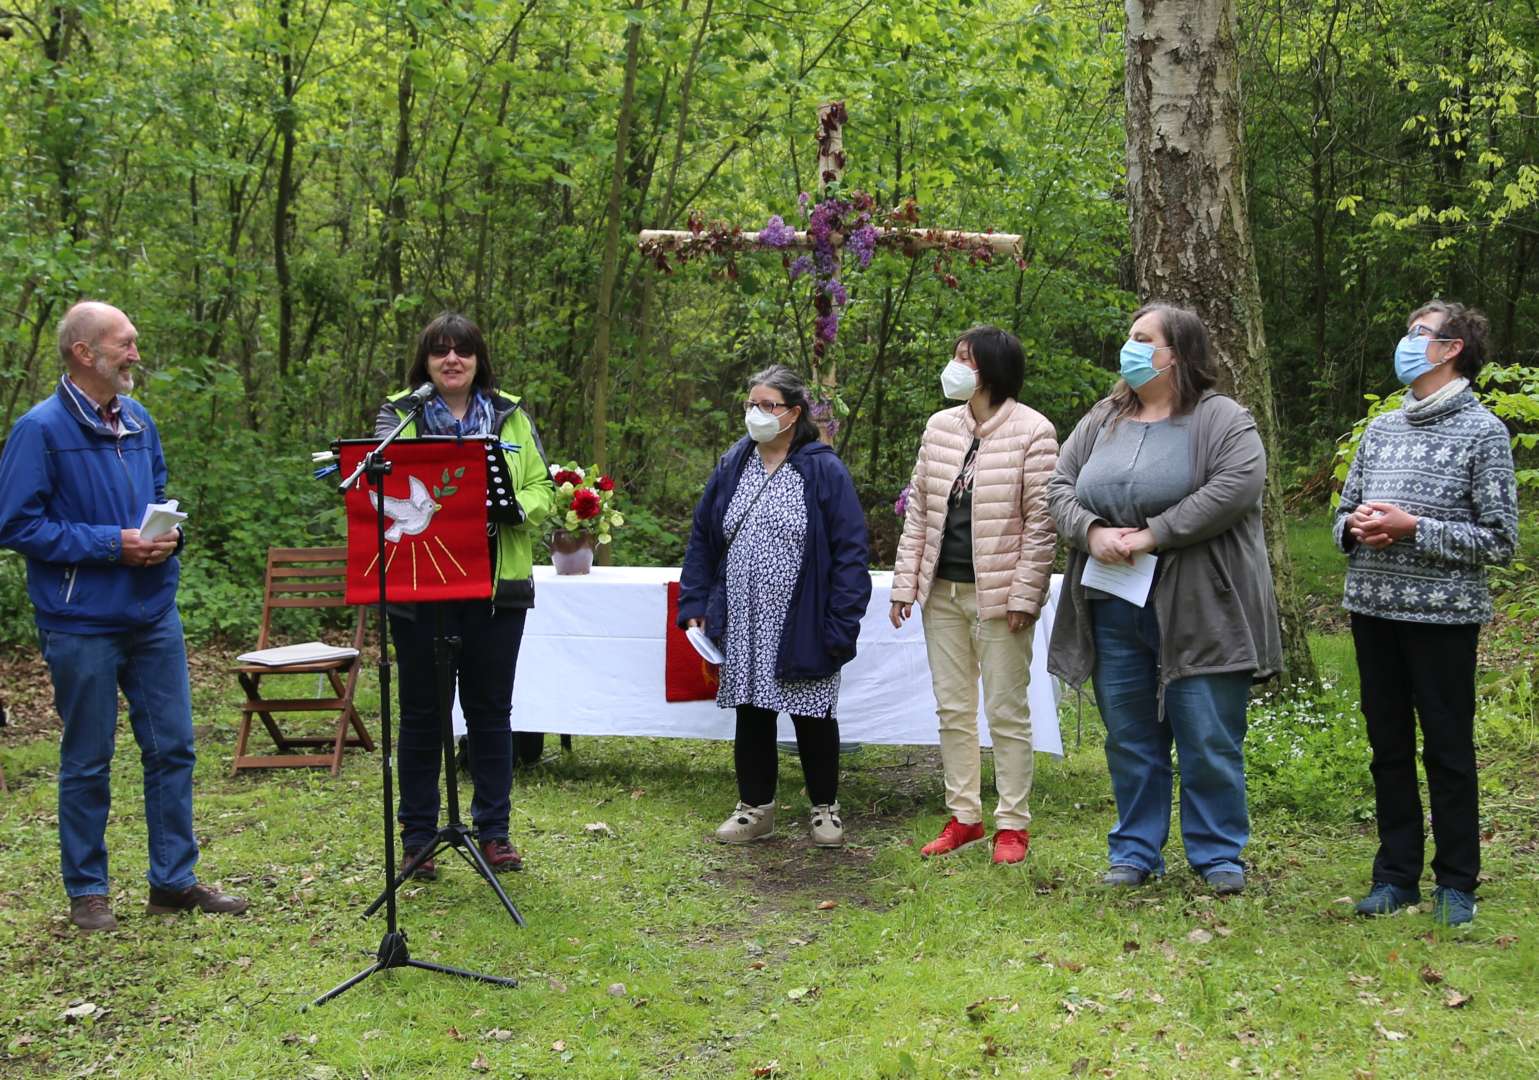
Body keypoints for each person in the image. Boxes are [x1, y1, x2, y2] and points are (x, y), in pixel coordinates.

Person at [0, 301, 248, 932]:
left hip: (153, 614)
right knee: (88, 757)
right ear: (86, 353)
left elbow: (162, 496)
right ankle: (88, 892)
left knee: (175, 747)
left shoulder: (138, 421)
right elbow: (18, 525)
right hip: (80, 619)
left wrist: (169, 539)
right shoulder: (40, 430)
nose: (136, 353)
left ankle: (173, 882)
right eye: (126, 343)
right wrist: (115, 543)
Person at [1047, 303, 1281, 896]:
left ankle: (1218, 855)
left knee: (1206, 733)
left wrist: (1155, 533)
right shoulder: (1104, 417)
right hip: (1112, 603)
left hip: (1204, 604)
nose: (1127, 347)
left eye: (1140, 338)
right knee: (1129, 735)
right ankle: (1134, 852)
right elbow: (1057, 486)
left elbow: (1236, 486)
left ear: (1175, 352)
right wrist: (1092, 532)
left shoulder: (1222, 418)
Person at [1336, 301, 1517, 928]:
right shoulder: (1381, 429)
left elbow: (1499, 539)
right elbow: (1343, 512)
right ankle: (1395, 877)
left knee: (1446, 747)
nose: (1407, 343)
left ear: (1452, 348)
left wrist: (1415, 530)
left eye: (1420, 333)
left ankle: (1457, 882)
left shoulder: (1483, 432)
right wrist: (1355, 527)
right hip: (1373, 609)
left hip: (1442, 618)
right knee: (1387, 746)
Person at [375, 312, 554, 877]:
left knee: (490, 712)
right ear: (425, 360)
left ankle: (495, 833)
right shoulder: (398, 414)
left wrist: (520, 508)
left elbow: (543, 484)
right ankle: (418, 838)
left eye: (463, 351)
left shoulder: (511, 415)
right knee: (423, 714)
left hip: (497, 588)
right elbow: (375, 482)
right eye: (440, 351)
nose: (452, 360)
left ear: (479, 359)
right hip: (420, 585)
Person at [679, 364, 871, 847]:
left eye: (768, 406)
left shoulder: (822, 468)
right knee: (752, 711)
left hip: (803, 616)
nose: (757, 414)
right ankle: (754, 808)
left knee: (812, 712)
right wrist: (695, 602)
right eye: (751, 405)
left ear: (794, 413)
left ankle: (825, 808)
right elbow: (703, 539)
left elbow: (850, 550)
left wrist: (841, 624)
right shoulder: (733, 464)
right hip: (742, 617)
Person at [890, 326, 1058, 865]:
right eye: (954, 355)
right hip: (942, 591)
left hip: (1002, 596)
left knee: (1007, 711)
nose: (954, 366)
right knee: (953, 709)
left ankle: (1013, 824)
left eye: (965, 358)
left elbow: (1041, 525)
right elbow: (919, 512)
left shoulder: (1034, 431)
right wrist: (905, 583)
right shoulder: (940, 427)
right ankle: (964, 816)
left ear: (992, 367)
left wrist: (1024, 595)